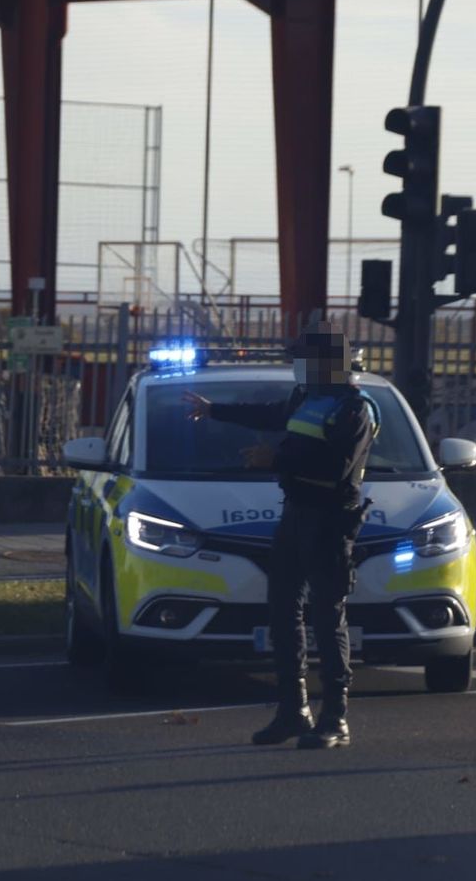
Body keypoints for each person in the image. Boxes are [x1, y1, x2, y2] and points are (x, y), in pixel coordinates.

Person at [183, 321, 379, 749]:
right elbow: (270, 414)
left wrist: (276, 459)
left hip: (331, 522)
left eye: (304, 361)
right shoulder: (305, 397)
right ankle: (293, 711)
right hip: (296, 516)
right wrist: (215, 410)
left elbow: (338, 467)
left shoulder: (354, 409)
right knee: (283, 611)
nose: (297, 368)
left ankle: (335, 718)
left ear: (329, 364)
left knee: (327, 618)